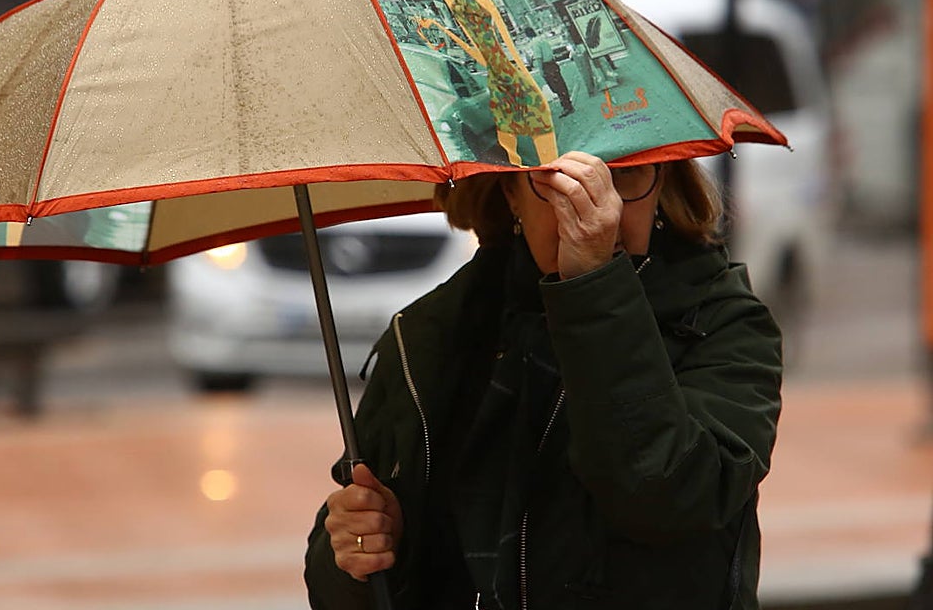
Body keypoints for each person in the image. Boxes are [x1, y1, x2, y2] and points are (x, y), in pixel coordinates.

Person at [304, 152, 783, 609]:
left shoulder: (721, 323)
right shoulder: (431, 335)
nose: (602, 208)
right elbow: (346, 582)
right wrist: (355, 554)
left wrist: (593, 284)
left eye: (629, 175)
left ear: (664, 187)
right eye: (560, 179)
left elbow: (665, 494)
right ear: (511, 192)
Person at [415, 0, 558, 167]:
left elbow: (508, 46)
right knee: (510, 134)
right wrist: (442, 30)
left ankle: (552, 166)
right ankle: (531, 172)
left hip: (506, 72)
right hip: (496, 77)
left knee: (532, 122)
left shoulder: (483, 0)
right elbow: (478, 53)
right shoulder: (455, 3)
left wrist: (527, 76)